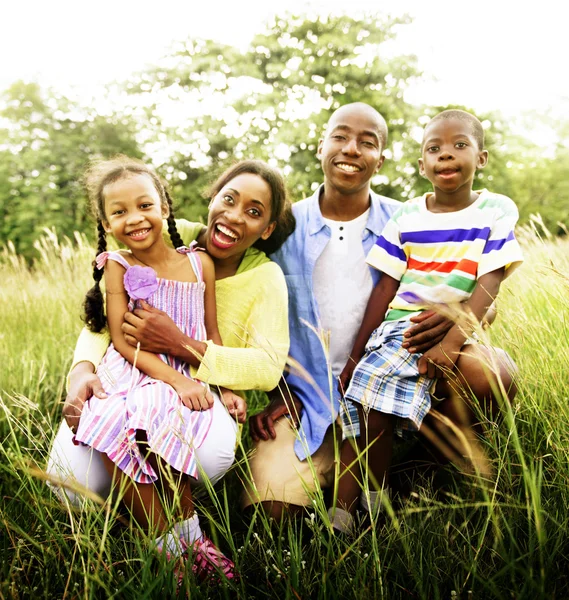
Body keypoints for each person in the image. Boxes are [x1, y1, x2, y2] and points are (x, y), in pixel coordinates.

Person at [245, 103, 519, 521]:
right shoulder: (281, 226)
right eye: (340, 137)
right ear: (321, 147)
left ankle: (415, 470)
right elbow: (243, 300)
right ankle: (350, 478)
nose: (351, 149)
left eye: (367, 142)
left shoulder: (411, 217)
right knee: (273, 516)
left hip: (402, 372)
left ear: (382, 159)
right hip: (313, 400)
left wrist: (455, 312)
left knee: (490, 370)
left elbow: (486, 297)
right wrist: (282, 391)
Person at [46, 158, 294, 578]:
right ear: (211, 198)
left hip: (185, 381)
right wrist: (81, 370)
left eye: (253, 212)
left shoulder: (244, 272)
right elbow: (109, 329)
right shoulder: (140, 249)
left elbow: (257, 360)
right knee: (114, 427)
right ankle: (170, 543)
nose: (234, 216)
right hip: (134, 372)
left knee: (158, 416)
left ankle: (182, 538)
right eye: (228, 200)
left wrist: (212, 373)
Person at [331, 109, 524, 533]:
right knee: (366, 411)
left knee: (484, 374)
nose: (446, 156)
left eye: (460, 146)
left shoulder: (495, 209)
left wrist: (453, 340)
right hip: (400, 328)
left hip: (454, 332)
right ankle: (358, 511)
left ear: (482, 158)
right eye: (434, 149)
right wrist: (357, 352)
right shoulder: (407, 218)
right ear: (422, 166)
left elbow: (489, 281)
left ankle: (418, 475)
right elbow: (385, 289)